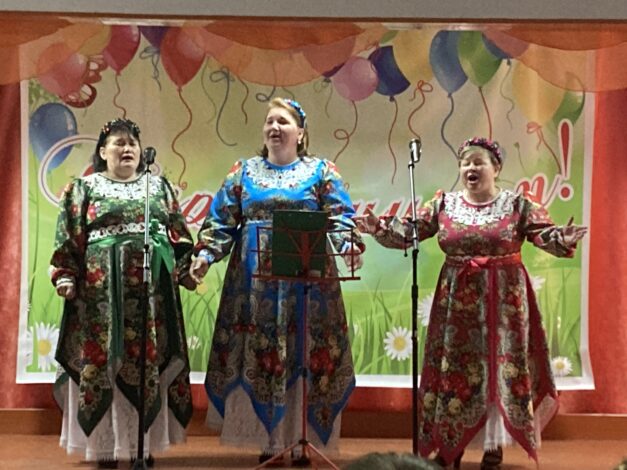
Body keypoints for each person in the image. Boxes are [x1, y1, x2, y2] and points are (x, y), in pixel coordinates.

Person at [356, 137, 587, 469]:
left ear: (496, 168)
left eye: (478, 161)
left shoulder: (517, 204)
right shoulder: (444, 204)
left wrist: (561, 238)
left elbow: (544, 234)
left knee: (498, 368)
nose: (470, 168)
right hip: (456, 301)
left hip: (504, 301)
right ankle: (451, 445)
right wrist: (378, 227)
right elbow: (410, 232)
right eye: (465, 163)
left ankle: (494, 447)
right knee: (455, 368)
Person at [189, 97, 364, 464]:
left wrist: (349, 246)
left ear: (301, 133)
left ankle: (301, 439)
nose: (274, 127)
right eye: (269, 121)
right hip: (254, 284)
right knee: (262, 350)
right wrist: (205, 256)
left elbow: (340, 217)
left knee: (304, 352)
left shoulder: (322, 171)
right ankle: (269, 440)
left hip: (307, 283)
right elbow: (221, 222)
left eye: (283, 121)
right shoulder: (243, 172)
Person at [50, 118, 196, 468]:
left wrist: (186, 269)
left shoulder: (157, 187)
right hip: (100, 293)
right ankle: (106, 448)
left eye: (132, 143)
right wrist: (66, 275)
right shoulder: (83, 188)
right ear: (103, 152)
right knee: (106, 361)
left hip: (151, 294)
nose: (127, 148)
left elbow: (178, 234)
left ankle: (142, 446)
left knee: (146, 362)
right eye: (118, 143)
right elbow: (68, 235)